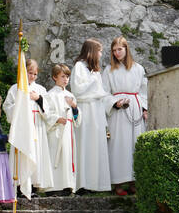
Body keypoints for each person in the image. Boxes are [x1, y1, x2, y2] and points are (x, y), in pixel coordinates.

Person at [103, 35, 147, 195]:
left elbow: (144, 91)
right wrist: (115, 103)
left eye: (119, 49)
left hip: (135, 108)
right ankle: (118, 183)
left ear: (126, 49)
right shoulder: (109, 70)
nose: (117, 53)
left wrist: (145, 108)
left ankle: (134, 181)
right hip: (118, 111)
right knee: (119, 145)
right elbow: (104, 93)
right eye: (114, 50)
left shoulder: (138, 68)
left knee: (135, 144)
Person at [71, 38, 113, 192]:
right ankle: (82, 183)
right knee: (85, 145)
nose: (101, 55)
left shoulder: (95, 70)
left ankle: (96, 183)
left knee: (96, 146)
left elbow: (100, 91)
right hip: (85, 109)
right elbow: (77, 89)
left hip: (96, 110)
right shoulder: (79, 67)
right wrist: (93, 85)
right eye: (100, 51)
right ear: (92, 52)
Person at [6, 58, 53, 193]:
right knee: (23, 152)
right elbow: (7, 107)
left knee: (35, 153)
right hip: (22, 127)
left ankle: (33, 185)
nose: (32, 76)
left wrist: (39, 99)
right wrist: (22, 99)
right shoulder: (15, 88)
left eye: (34, 74)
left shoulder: (41, 89)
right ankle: (20, 185)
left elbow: (48, 111)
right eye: (29, 73)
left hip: (36, 125)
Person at [41, 63, 78, 193]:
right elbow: (46, 113)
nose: (65, 79)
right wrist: (56, 118)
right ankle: (53, 187)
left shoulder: (70, 95)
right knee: (55, 156)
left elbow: (77, 118)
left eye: (67, 76)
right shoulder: (50, 95)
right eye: (62, 76)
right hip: (56, 130)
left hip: (68, 131)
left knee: (67, 156)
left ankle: (68, 185)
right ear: (55, 77)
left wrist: (74, 107)